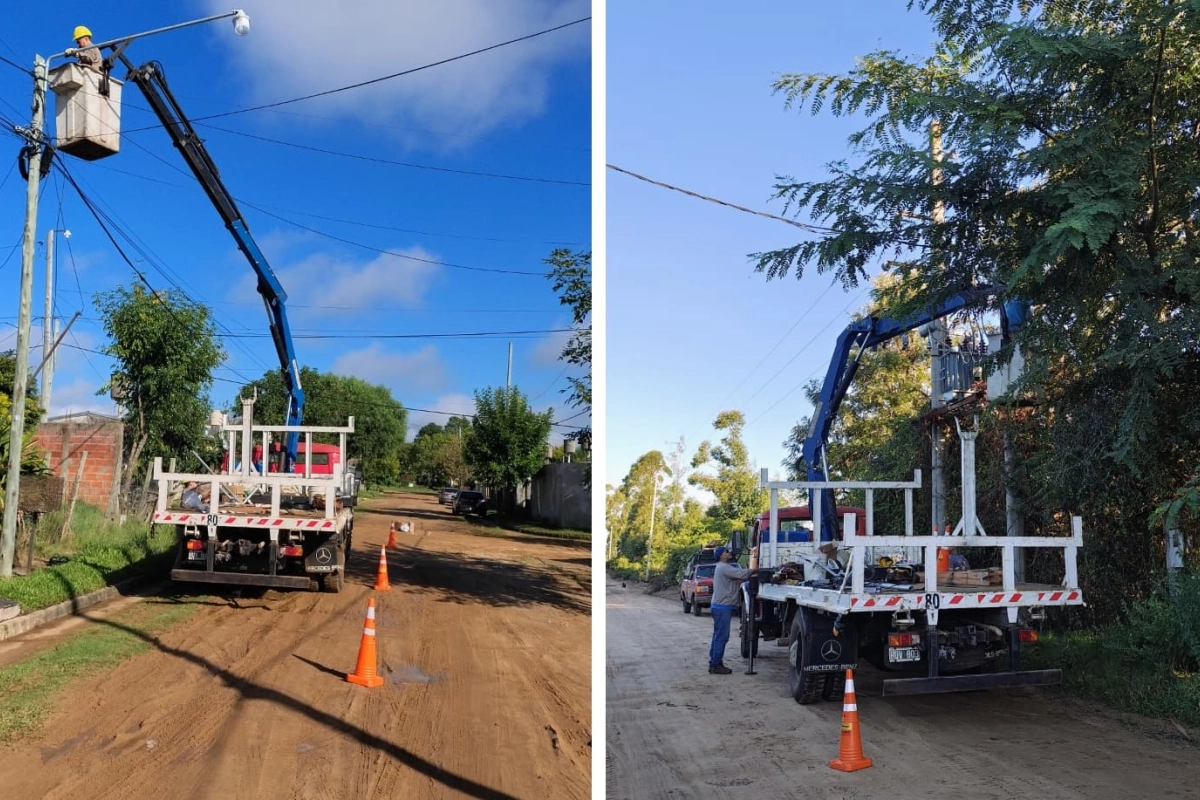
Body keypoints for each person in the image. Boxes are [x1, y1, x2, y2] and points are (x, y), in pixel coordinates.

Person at [708, 546, 753, 674]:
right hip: (722, 607)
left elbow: (736, 579)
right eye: (727, 552)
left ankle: (714, 662)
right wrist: (756, 570)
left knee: (717, 636)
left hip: (719, 606)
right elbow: (742, 574)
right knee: (722, 636)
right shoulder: (724, 567)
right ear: (722, 555)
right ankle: (716, 664)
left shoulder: (722, 568)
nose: (729, 553)